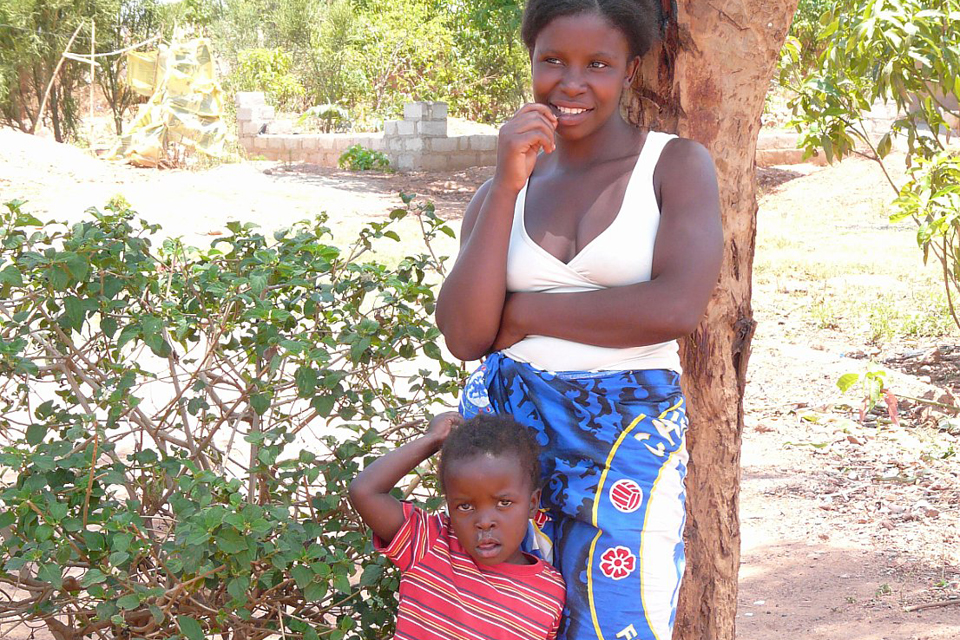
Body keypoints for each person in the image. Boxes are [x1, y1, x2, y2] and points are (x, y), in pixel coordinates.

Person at [434, 1, 724, 639]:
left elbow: (674, 307)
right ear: (532, 62)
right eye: (553, 61)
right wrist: (508, 185)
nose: (572, 82)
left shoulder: (674, 167)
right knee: (504, 618)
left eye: (598, 63)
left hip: (626, 438)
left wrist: (525, 311)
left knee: (619, 616)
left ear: (630, 68)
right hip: (508, 444)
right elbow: (464, 334)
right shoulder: (502, 187)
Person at [348, 412, 566, 640]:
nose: (484, 522)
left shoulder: (550, 592)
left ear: (532, 504)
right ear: (449, 507)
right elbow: (364, 492)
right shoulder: (430, 543)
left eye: (504, 503)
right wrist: (433, 440)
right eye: (465, 506)